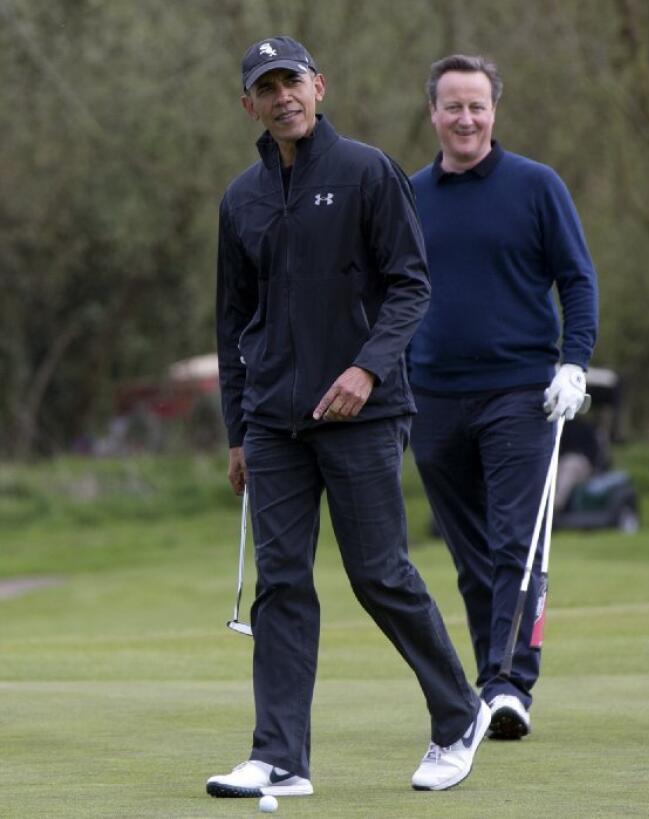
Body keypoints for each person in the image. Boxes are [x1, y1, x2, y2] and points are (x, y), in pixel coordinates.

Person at [208, 36, 487, 800]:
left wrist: (367, 367)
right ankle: (281, 758)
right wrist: (237, 430)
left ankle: (458, 714)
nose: (282, 97)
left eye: (292, 81)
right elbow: (232, 324)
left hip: (362, 412)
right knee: (282, 584)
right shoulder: (242, 199)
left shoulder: (367, 171)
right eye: (266, 89)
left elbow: (410, 286)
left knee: (379, 573)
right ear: (249, 106)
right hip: (272, 421)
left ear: (319, 86)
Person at [407, 55, 599, 741]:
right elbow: (386, 296)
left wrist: (574, 363)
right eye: (453, 106)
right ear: (433, 112)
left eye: (477, 106)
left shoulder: (536, 187)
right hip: (430, 399)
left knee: (515, 542)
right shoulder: (409, 196)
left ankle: (507, 684)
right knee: (471, 554)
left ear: (494, 111)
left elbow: (577, 280)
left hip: (521, 392)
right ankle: (494, 675)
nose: (466, 118)